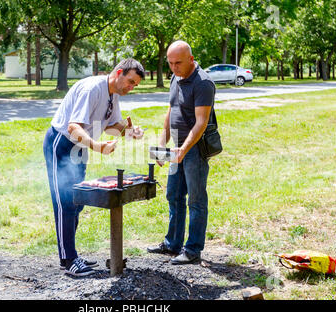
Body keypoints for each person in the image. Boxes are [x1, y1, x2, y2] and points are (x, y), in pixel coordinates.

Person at [43, 58, 145, 277]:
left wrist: (130, 131)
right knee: (64, 202)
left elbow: (110, 126)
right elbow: (73, 127)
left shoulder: (114, 94)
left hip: (80, 147)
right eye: (130, 81)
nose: (131, 87)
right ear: (118, 73)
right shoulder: (92, 89)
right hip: (61, 143)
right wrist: (97, 146)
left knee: (77, 202)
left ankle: (70, 254)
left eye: (135, 85)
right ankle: (69, 259)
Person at [147, 40, 216, 264]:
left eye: (178, 63)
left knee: (196, 199)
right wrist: (161, 144)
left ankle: (193, 249)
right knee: (173, 195)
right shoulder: (175, 78)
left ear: (191, 60)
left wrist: (183, 149)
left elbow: (201, 122)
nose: (174, 68)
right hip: (176, 148)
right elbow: (171, 111)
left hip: (194, 148)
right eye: (170, 63)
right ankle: (172, 244)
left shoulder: (203, 83)